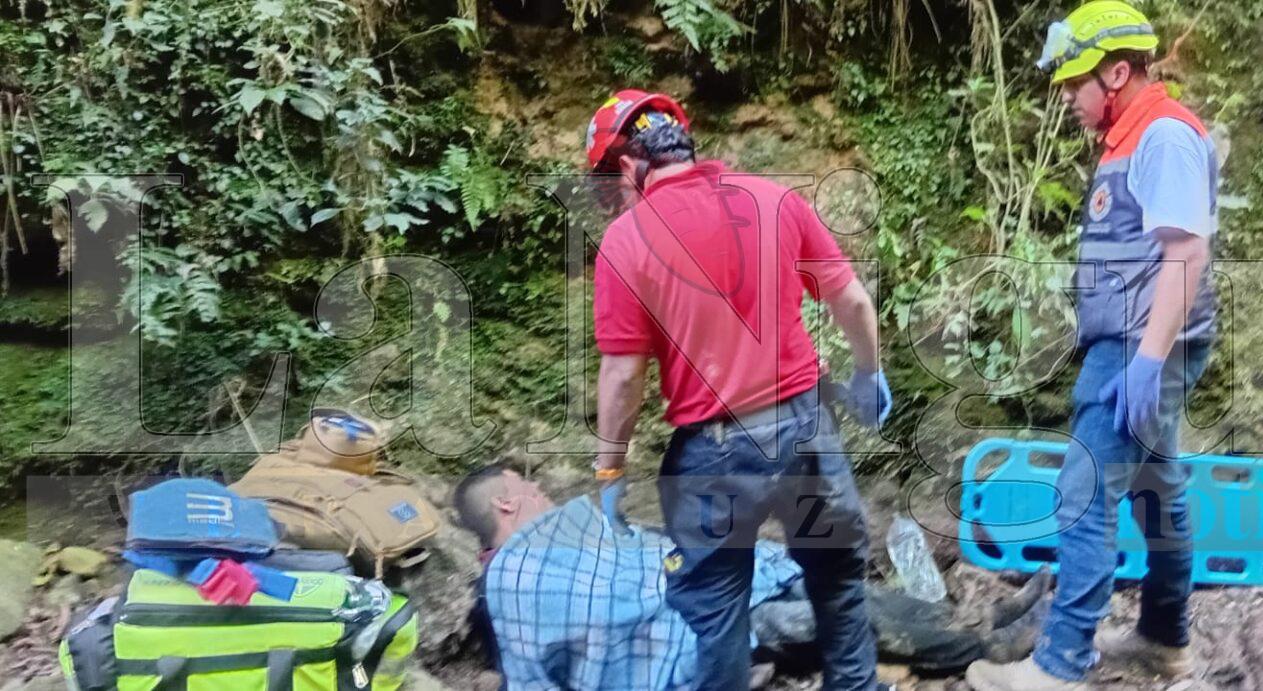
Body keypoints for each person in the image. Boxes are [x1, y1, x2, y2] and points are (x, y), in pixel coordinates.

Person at [583, 89, 891, 690]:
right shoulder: (774, 200)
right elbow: (852, 301)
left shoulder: (625, 242)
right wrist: (867, 370)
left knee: (718, 606)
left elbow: (624, 375)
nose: (613, 198)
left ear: (629, 165)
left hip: (717, 452)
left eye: (610, 182)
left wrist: (609, 468)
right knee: (836, 576)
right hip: (807, 429)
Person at [965, 2, 1220, 690]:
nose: (1067, 99)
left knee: (1083, 489)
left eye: (1075, 83)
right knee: (1156, 488)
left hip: (1143, 345)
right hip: (1144, 341)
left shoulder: (1163, 136)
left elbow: (1187, 250)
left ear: (1115, 72)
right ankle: (1164, 639)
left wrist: (1145, 358)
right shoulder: (1131, 137)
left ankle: (1060, 663)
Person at [454, 467, 1012, 689]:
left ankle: (979, 617)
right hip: (687, 632)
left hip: (706, 592)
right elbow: (546, 659)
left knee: (828, 582)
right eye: (525, 484)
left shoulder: (569, 536)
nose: (538, 489)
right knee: (827, 615)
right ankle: (986, 645)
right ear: (506, 502)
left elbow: (641, 553)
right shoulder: (511, 581)